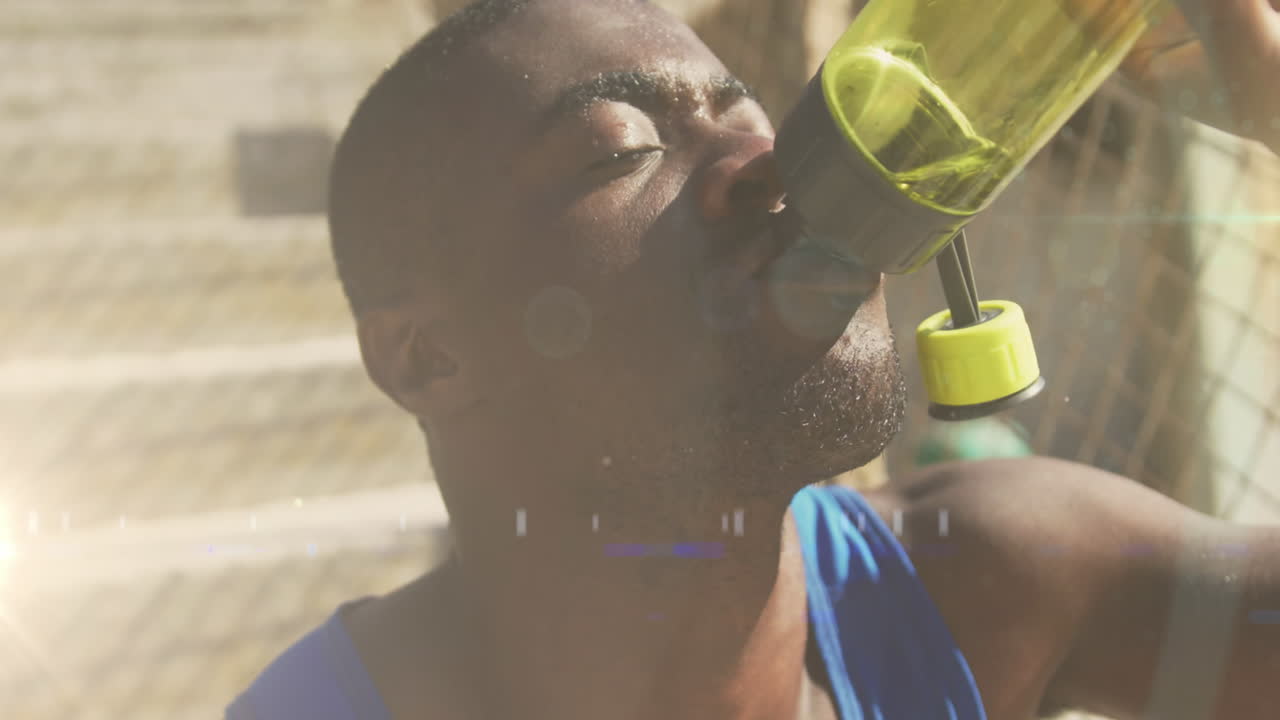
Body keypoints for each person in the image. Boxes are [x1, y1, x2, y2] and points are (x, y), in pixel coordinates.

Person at [227, 0, 1280, 718]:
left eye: (754, 120)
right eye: (621, 149)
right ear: (430, 356)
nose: (768, 169)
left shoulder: (985, 583)